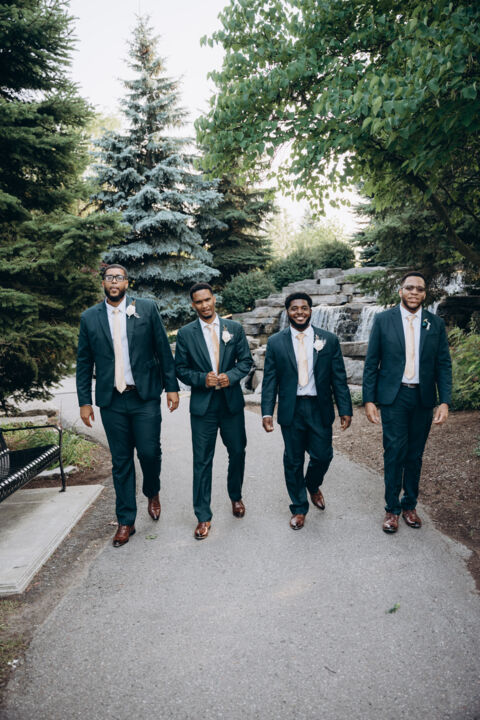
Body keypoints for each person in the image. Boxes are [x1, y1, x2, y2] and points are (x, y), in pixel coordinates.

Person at [76, 264, 179, 547]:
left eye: (118, 278)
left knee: (149, 453)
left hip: (144, 396)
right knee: (121, 461)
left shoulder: (146, 308)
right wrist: (84, 402)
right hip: (112, 401)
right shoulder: (89, 317)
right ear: (103, 283)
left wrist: (172, 387)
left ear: (126, 283)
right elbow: (84, 362)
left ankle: (152, 490)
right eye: (109, 278)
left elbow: (162, 350)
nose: (114, 282)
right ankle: (125, 521)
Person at [362, 271, 452, 534]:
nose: (414, 292)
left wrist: (445, 401)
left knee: (415, 455)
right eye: (409, 288)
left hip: (423, 398)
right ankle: (392, 510)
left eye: (419, 289)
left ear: (425, 294)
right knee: (394, 452)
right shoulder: (383, 320)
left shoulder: (435, 324)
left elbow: (443, 365)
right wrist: (369, 400)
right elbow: (372, 362)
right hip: (394, 397)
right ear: (401, 291)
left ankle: (409, 505)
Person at [261, 292, 352, 530]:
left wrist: (345, 408)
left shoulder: (328, 340)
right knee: (293, 460)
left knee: (323, 456)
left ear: (310, 311)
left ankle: (312, 485)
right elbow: (270, 380)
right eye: (294, 308)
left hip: (319, 407)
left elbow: (338, 378)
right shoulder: (276, 342)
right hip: (291, 408)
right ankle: (299, 508)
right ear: (288, 312)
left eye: (304, 308)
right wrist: (267, 412)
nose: (299, 312)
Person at [175, 282, 253, 540]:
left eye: (207, 299)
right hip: (203, 406)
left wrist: (231, 376)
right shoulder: (185, 334)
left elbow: (246, 361)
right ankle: (203, 516)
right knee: (202, 460)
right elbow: (180, 369)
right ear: (193, 305)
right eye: (199, 302)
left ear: (214, 299)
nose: (204, 305)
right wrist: (201, 379)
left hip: (231, 403)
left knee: (237, 452)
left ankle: (236, 496)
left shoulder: (234, 329)